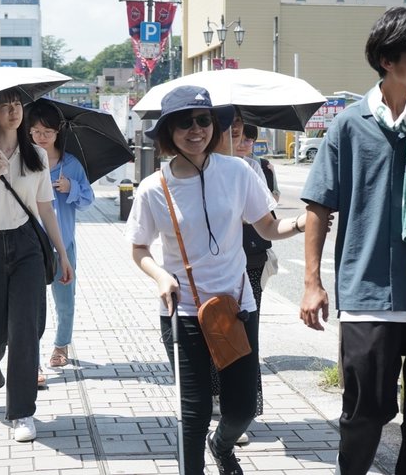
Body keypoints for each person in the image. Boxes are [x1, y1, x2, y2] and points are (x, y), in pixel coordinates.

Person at [299, 6, 406, 475]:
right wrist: (312, 282)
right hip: (367, 294)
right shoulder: (349, 125)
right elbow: (319, 205)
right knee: (365, 413)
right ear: (387, 61)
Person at [125, 85, 309, 475]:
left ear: (216, 125)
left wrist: (299, 223)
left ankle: (222, 444)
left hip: (236, 308)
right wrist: (160, 276)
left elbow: (268, 226)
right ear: (168, 132)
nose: (196, 130)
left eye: (204, 120)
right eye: (184, 123)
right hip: (184, 310)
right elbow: (139, 248)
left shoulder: (239, 171)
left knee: (241, 409)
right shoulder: (153, 189)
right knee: (192, 412)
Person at [0, 87, 74, 443]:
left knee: (25, 329)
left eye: (17, 105)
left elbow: (45, 209)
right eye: (4, 106)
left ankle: (22, 411)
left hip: (27, 244)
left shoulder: (36, 154)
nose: (13, 111)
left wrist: (63, 254)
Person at [26, 100, 95, 385]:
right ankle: (31, 358)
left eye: (47, 131)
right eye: (35, 131)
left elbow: (89, 200)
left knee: (64, 300)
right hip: (30, 244)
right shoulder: (25, 161)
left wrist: (72, 188)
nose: (41, 137)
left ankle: (60, 345)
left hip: (63, 244)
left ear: (58, 132)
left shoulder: (71, 165)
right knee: (30, 305)